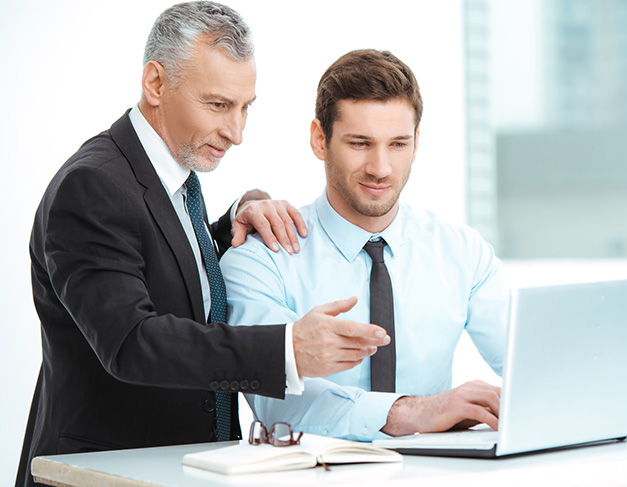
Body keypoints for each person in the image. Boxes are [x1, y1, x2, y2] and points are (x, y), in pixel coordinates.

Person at [16, 4, 390, 486]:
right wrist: (286, 349)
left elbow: (163, 263)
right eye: (217, 105)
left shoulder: (170, 176)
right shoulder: (92, 185)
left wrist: (234, 217)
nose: (236, 132)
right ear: (155, 83)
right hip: (105, 471)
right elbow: (130, 341)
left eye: (245, 106)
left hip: (187, 468)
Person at [220, 49, 508, 442]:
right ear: (320, 140)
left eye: (398, 144)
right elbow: (274, 398)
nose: (381, 168)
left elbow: (531, 363)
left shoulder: (462, 252)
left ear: (417, 142)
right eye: (360, 143)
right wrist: (413, 413)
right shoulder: (261, 257)